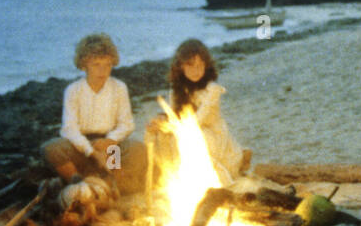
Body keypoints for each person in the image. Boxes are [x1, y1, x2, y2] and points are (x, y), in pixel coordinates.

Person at [42, 33, 147, 194]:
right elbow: (69, 129)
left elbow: (126, 124)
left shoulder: (119, 87)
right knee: (50, 148)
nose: (102, 70)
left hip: (110, 144)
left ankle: (111, 182)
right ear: (84, 65)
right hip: (82, 146)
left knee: (137, 148)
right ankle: (78, 183)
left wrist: (109, 141)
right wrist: (92, 152)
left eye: (107, 65)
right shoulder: (73, 90)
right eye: (96, 64)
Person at [147, 38, 250, 184]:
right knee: (162, 136)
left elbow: (197, 121)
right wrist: (160, 122)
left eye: (200, 65)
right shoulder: (176, 91)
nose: (196, 70)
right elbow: (175, 117)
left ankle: (220, 182)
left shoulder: (212, 90)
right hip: (187, 133)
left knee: (194, 137)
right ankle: (172, 177)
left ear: (206, 66)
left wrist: (170, 126)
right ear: (181, 67)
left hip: (213, 137)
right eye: (190, 66)